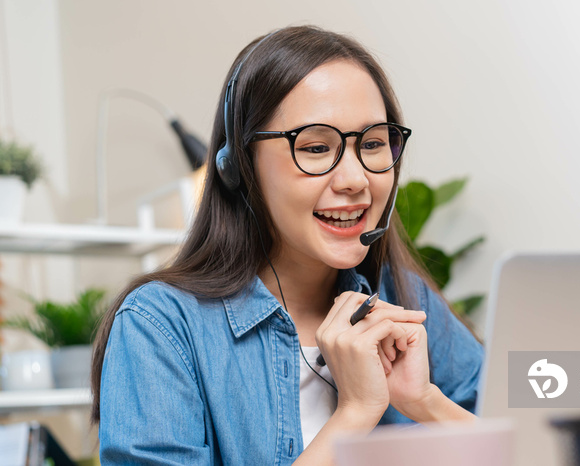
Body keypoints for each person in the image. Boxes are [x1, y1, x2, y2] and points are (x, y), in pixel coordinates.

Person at [91, 25, 483, 465]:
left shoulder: (406, 299)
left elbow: (546, 445)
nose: (356, 180)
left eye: (373, 143)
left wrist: (427, 402)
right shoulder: (160, 326)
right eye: (315, 147)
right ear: (239, 166)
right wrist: (353, 415)